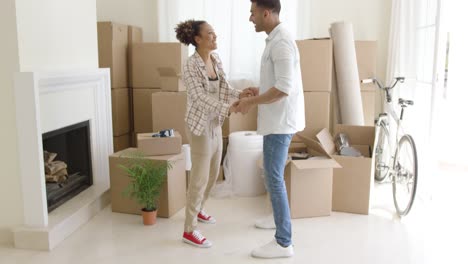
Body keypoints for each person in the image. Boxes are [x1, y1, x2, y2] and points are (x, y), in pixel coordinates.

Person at [235, 0, 305, 258]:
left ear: (266, 13)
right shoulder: (275, 40)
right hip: (275, 120)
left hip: (280, 122)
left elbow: (285, 88)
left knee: (273, 177)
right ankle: (278, 220)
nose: (250, 18)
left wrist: (250, 102)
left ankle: (283, 243)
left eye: (253, 13)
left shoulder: (282, 42)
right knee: (271, 174)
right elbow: (277, 82)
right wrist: (258, 90)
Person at [175, 19, 252, 248]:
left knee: (213, 173)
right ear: (197, 39)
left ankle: (199, 210)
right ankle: (189, 230)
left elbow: (224, 88)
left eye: (215, 32)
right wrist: (228, 107)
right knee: (199, 178)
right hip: (199, 127)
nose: (215, 36)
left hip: (215, 123)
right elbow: (198, 98)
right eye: (210, 33)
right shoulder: (190, 65)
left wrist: (241, 94)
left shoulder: (215, 59)